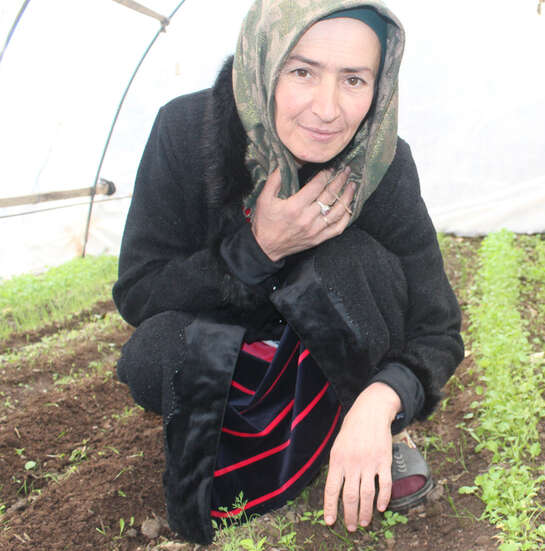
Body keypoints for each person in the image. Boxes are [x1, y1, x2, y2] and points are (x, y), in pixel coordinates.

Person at [111, 0, 463, 544]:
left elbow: (437, 327)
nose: (328, 109)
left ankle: (367, 428)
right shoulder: (186, 132)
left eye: (353, 80)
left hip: (340, 361)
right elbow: (140, 290)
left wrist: (381, 400)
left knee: (345, 261)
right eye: (302, 72)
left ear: (380, 84)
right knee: (155, 350)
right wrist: (258, 247)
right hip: (236, 354)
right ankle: (232, 439)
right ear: (264, 62)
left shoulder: (381, 161)